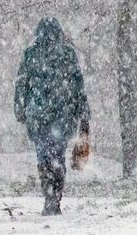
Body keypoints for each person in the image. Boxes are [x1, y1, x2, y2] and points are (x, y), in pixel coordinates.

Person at [14, 18, 90, 215]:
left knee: (43, 156)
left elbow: (21, 84)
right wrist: (83, 115)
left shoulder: (31, 54)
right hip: (62, 116)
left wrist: (20, 109)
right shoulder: (67, 54)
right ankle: (55, 198)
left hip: (38, 116)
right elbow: (77, 86)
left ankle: (49, 195)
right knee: (58, 155)